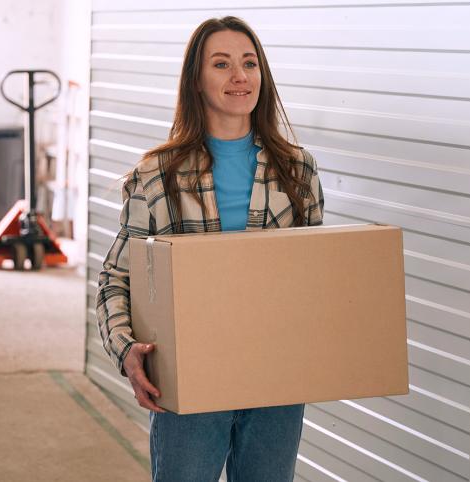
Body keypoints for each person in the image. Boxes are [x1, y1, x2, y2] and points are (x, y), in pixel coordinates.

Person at [95, 15, 325, 482]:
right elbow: (117, 279)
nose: (239, 77)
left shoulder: (297, 171)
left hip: (275, 382)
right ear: (196, 82)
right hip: (191, 380)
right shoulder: (157, 175)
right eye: (221, 64)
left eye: (249, 63)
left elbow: (316, 277)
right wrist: (125, 349)